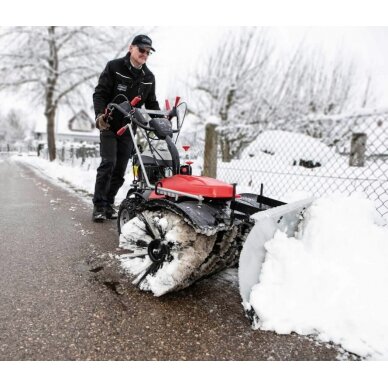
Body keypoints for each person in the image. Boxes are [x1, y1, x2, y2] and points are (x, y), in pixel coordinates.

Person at [92, 34, 160, 222]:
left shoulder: (148, 77)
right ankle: (98, 205)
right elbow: (100, 93)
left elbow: (152, 104)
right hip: (109, 123)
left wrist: (161, 122)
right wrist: (99, 116)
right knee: (108, 163)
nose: (144, 54)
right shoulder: (114, 67)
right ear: (131, 48)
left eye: (148, 52)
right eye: (141, 50)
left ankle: (108, 203)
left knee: (120, 169)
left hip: (129, 127)